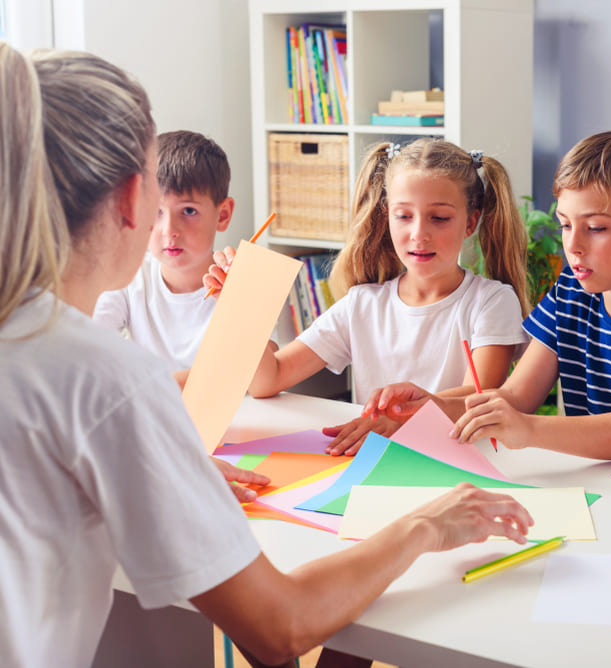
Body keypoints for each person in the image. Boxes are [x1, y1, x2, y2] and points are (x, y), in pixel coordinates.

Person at [0, 43, 532, 668]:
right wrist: (427, 525)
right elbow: (279, 629)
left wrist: (170, 472)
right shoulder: (107, 381)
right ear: (131, 199)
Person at [365, 130, 611, 460]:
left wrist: (528, 430)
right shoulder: (570, 295)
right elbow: (514, 398)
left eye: (595, 228)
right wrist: (432, 405)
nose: (572, 245)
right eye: (565, 225)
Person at [205, 138, 530, 455]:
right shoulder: (362, 304)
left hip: (459, 465)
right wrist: (236, 306)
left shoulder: (491, 302)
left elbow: (480, 396)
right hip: (373, 465)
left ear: (470, 221)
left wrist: (400, 418)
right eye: (404, 216)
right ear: (386, 216)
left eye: (440, 218)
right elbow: (267, 381)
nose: (419, 233)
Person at [93, 130, 234, 373]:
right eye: (156, 212)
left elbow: (256, 373)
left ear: (222, 215)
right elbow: (91, 347)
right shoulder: (131, 275)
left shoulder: (237, 284)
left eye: (188, 211)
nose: (169, 231)